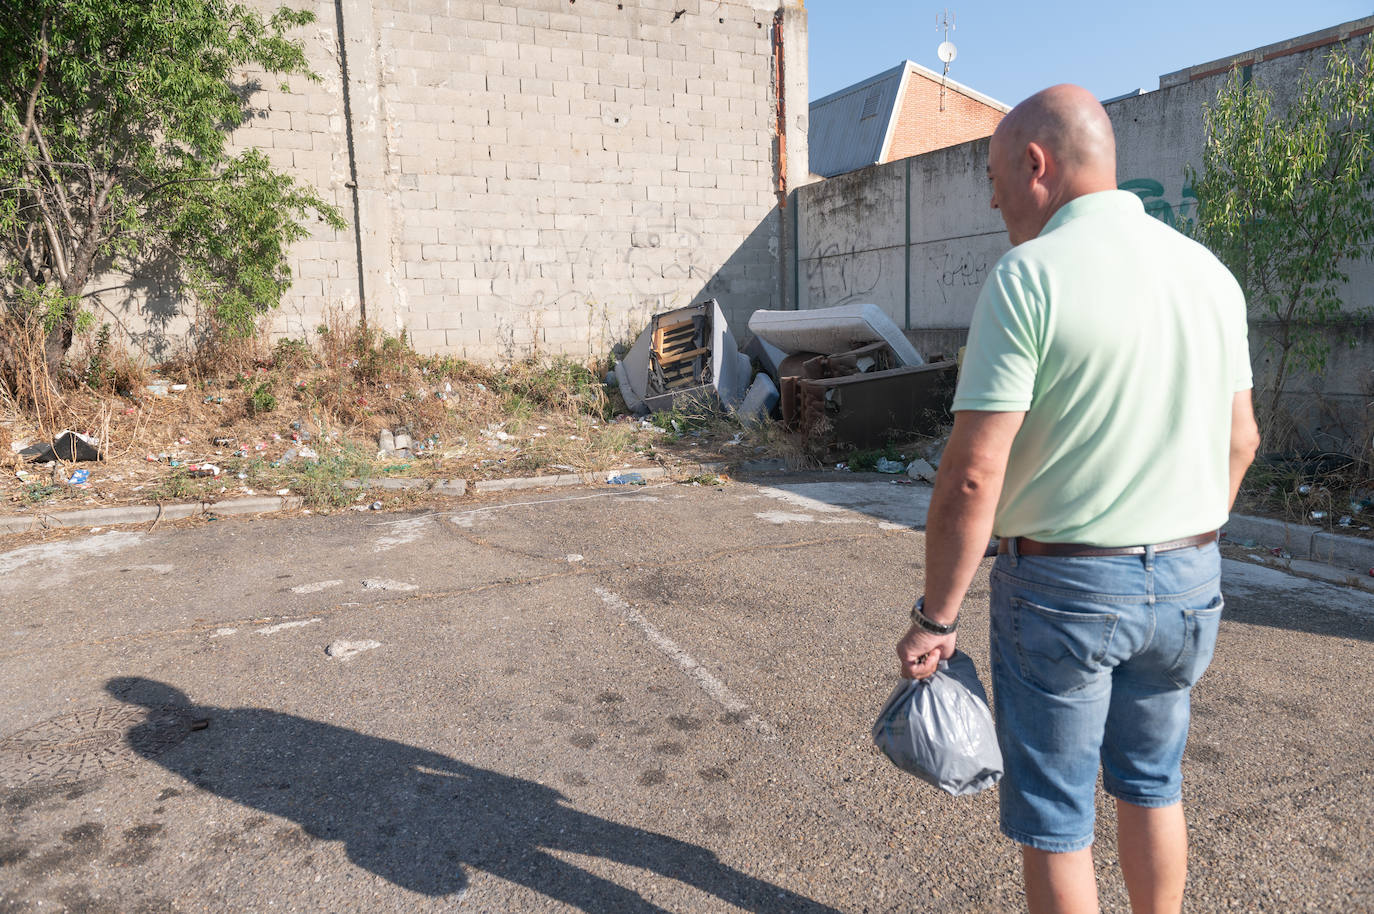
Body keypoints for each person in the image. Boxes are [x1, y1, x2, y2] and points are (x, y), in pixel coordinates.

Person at [894, 85, 1260, 914]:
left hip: (1065, 593)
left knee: (1058, 821)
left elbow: (973, 474)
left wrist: (937, 617)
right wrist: (1184, 540)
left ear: (1036, 164)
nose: (990, 199)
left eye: (993, 177)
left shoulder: (1028, 277)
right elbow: (1243, 442)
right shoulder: (1209, 274)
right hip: (1191, 577)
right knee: (1152, 786)